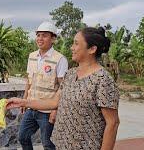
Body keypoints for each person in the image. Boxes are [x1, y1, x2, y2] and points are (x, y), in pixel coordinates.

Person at [7, 27, 120, 150]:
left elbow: (112, 123)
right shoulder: (70, 74)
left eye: (76, 43)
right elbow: (54, 102)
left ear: (92, 49)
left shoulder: (103, 80)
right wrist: (23, 102)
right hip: (61, 144)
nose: (72, 47)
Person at [18, 21, 68, 150]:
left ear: (53, 39)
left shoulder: (60, 59)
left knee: (48, 144)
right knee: (23, 137)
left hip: (47, 111)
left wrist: (55, 110)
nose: (40, 38)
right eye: (38, 35)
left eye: (44, 35)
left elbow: (63, 87)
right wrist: (24, 101)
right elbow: (29, 81)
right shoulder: (32, 56)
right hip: (31, 107)